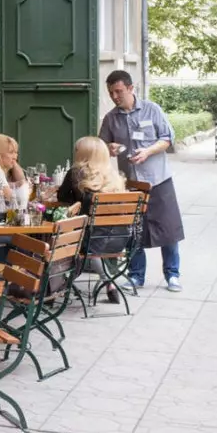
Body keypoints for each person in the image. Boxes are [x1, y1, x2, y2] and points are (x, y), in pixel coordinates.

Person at [99, 70, 185, 292]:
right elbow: (101, 148)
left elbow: (167, 138)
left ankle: (172, 275)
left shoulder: (152, 109)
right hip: (131, 184)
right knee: (134, 231)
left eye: (118, 91)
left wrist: (147, 152)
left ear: (130, 88)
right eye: (111, 93)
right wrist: (110, 148)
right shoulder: (110, 118)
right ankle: (136, 276)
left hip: (158, 180)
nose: (115, 96)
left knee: (168, 229)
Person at [57, 135, 129, 302]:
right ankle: (108, 283)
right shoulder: (114, 176)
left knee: (62, 239)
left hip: (89, 240)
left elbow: (62, 196)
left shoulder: (76, 172)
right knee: (91, 245)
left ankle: (61, 283)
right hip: (120, 238)